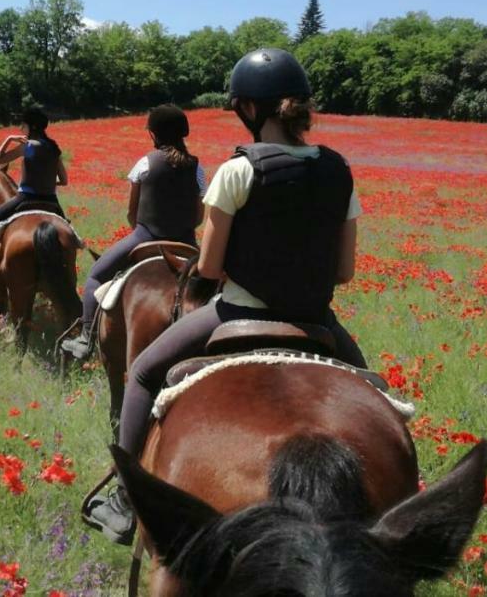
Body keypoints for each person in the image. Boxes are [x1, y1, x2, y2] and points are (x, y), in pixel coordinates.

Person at [85, 48, 369, 544]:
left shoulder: (238, 172)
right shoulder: (339, 171)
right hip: (317, 320)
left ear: (248, 108)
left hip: (237, 311)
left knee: (146, 373)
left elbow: (211, 265)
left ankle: (125, 501)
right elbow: (343, 271)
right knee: (376, 394)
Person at [60, 105, 205, 360]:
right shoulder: (197, 167)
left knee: (95, 276)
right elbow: (198, 217)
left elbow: (132, 212)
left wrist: (143, 231)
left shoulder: (145, 163)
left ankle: (86, 338)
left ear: (154, 134)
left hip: (146, 237)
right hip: (187, 242)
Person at [0, 107, 68, 285]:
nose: (21, 129)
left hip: (26, 198)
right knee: (67, 231)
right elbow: (64, 180)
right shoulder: (54, 148)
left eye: (23, 125)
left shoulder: (27, 147)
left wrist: (8, 140)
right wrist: (46, 182)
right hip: (51, 201)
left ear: (31, 127)